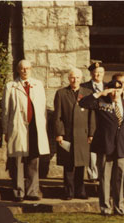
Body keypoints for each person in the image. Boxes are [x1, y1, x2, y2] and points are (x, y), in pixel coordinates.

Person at [79, 79, 124, 216]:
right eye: (112, 90)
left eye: (118, 90)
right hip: (105, 146)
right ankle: (105, 207)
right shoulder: (101, 102)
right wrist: (100, 93)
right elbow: (83, 103)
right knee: (105, 178)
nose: (116, 93)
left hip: (121, 147)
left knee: (119, 178)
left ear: (122, 90)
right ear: (108, 90)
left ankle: (119, 207)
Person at [2, 59, 50, 202]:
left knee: (33, 159)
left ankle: (32, 190)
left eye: (27, 68)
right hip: (18, 127)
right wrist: (5, 130)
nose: (25, 71)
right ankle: (18, 191)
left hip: (35, 127)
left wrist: (43, 127)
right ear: (18, 70)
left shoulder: (38, 85)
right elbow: (5, 110)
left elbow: (43, 109)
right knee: (18, 160)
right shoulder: (11, 86)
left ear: (31, 69)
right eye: (22, 68)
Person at [53, 68, 95, 200]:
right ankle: (68, 191)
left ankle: (80, 190)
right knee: (69, 165)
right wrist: (59, 133)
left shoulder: (88, 93)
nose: (74, 80)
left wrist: (91, 133)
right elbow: (57, 116)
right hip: (68, 134)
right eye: (72, 77)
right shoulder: (61, 93)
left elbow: (92, 116)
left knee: (81, 164)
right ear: (68, 79)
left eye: (77, 77)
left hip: (83, 134)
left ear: (81, 79)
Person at [81, 62, 106, 183]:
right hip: (89, 120)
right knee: (91, 149)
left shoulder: (108, 87)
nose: (98, 75)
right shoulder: (84, 87)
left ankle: (103, 174)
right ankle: (92, 174)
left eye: (100, 72)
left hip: (104, 122)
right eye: (95, 73)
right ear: (91, 74)